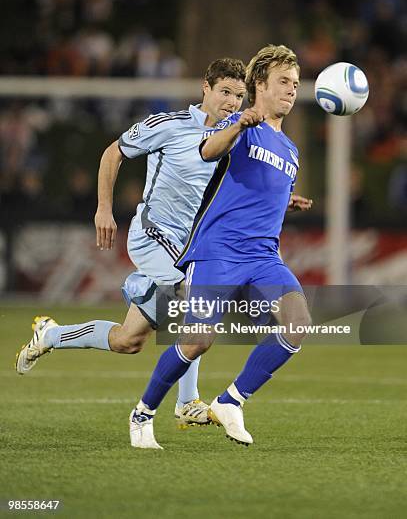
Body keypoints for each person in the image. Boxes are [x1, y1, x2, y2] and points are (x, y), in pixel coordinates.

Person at [15, 58, 247, 432]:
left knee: (129, 340)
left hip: (187, 243)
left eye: (239, 95)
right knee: (196, 294)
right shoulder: (169, 125)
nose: (232, 101)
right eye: (225, 92)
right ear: (205, 87)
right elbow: (113, 153)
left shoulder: (231, 138)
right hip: (153, 233)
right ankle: (187, 402)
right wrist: (103, 209)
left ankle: (51, 334)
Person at [130, 44, 313, 449]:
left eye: (296, 84)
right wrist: (238, 125)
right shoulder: (239, 125)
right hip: (218, 252)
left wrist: (287, 200)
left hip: (263, 256)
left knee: (297, 323)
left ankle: (232, 400)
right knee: (197, 341)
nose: (291, 90)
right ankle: (143, 413)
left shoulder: (291, 150)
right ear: (260, 85)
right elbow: (207, 150)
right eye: (283, 81)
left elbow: (263, 191)